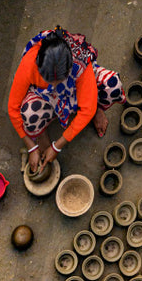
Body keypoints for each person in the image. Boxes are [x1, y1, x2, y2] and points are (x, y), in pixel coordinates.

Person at [7, 27, 125, 176]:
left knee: (112, 85)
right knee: (29, 114)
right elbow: (13, 108)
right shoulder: (30, 63)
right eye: (49, 79)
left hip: (75, 88)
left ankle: (97, 107)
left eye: (58, 80)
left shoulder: (79, 62)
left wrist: (57, 146)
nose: (55, 85)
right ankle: (41, 134)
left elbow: (86, 111)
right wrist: (30, 146)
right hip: (46, 97)